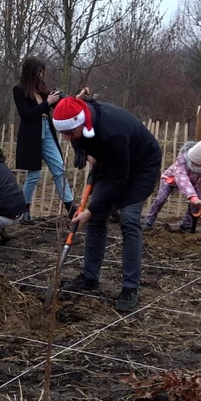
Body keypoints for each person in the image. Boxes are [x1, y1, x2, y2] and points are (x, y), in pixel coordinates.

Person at [53, 96, 161, 312]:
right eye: (62, 133)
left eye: (69, 133)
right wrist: (88, 153)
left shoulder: (114, 131)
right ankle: (89, 278)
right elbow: (79, 142)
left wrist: (91, 210)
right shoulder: (79, 124)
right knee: (96, 220)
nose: (66, 138)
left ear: (82, 123)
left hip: (140, 167)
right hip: (112, 162)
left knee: (129, 220)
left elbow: (119, 179)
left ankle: (130, 288)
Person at [13, 57, 75, 224]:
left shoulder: (41, 88)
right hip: (32, 134)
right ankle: (24, 210)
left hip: (47, 129)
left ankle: (71, 209)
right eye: (38, 71)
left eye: (42, 71)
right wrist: (46, 103)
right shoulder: (19, 90)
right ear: (30, 71)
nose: (41, 75)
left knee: (59, 168)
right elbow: (26, 114)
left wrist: (68, 98)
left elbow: (57, 106)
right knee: (34, 174)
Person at [143, 140, 201, 233]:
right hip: (171, 179)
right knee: (161, 199)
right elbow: (182, 179)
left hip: (192, 183)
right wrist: (193, 197)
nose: (197, 165)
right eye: (195, 163)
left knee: (198, 201)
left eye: (200, 164)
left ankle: (186, 225)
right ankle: (149, 221)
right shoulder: (182, 159)